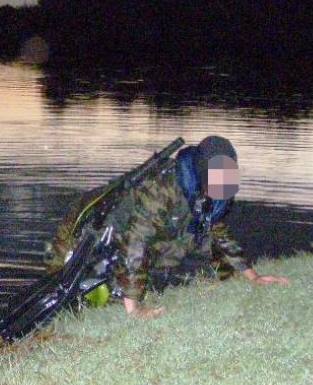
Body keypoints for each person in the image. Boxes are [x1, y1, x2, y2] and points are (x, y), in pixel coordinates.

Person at [45, 135, 287, 319]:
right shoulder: (164, 187)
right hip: (86, 229)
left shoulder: (214, 186)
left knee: (185, 248)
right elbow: (136, 238)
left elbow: (217, 231)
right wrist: (134, 307)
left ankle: (117, 292)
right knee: (59, 292)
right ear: (203, 172)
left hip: (130, 236)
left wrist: (253, 277)